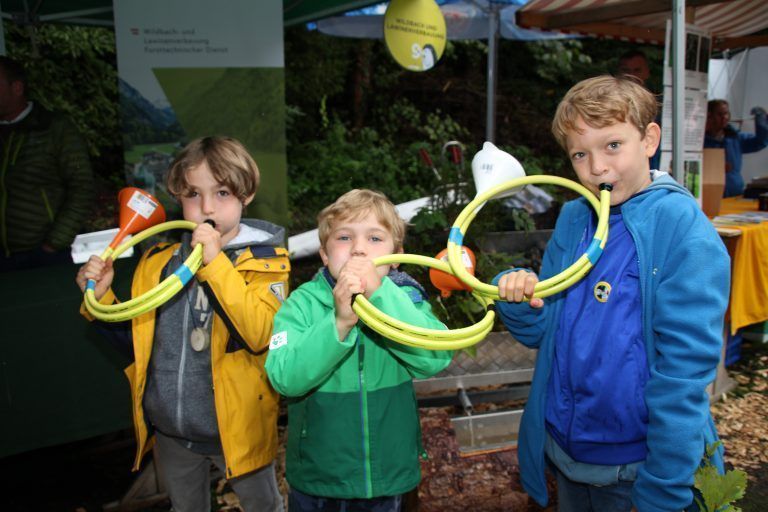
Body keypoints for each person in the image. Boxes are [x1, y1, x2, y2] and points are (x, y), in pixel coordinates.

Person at [494, 76, 730, 511]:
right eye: (580, 154)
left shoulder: (682, 231)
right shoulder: (573, 218)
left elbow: (684, 378)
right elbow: (542, 330)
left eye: (613, 146)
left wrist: (663, 487)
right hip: (567, 452)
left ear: (649, 139)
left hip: (636, 466)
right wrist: (518, 299)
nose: (597, 167)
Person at [76, 136, 288, 512]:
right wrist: (102, 299)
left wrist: (216, 263)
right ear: (178, 196)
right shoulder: (157, 262)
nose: (206, 207)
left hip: (237, 429)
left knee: (263, 506)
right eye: (193, 194)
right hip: (173, 431)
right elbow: (137, 345)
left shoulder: (267, 263)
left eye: (222, 192)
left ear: (246, 194)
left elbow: (261, 335)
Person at [265, 189, 453, 511]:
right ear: (324, 254)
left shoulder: (405, 300)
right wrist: (337, 324)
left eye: (375, 238)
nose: (359, 250)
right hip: (318, 478)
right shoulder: (301, 304)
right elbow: (283, 377)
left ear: (397, 254)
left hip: (386, 476)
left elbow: (435, 357)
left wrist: (382, 298)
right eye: (344, 237)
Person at [0, 56, 93, 271]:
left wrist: (54, 243)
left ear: (17, 87)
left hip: (43, 255)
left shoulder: (54, 129)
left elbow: (82, 185)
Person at [704, 99, 768, 197]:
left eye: (726, 114)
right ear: (709, 116)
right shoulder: (701, 141)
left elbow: (760, 142)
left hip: (735, 193)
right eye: (719, 114)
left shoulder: (735, 138)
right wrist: (716, 168)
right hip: (710, 195)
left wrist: (761, 120)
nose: (724, 117)